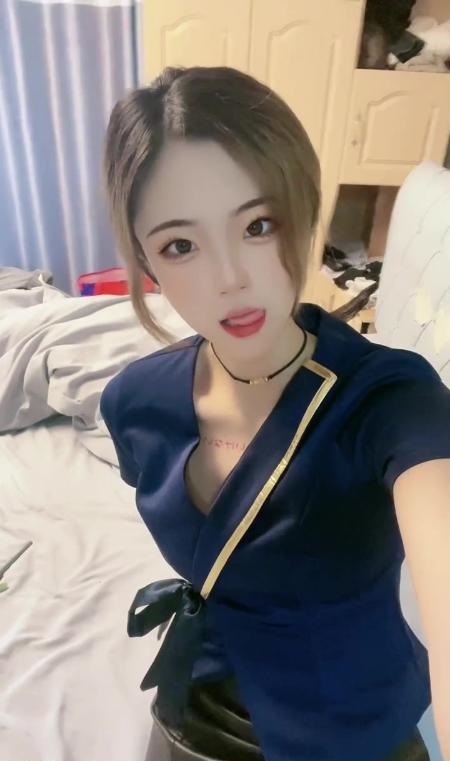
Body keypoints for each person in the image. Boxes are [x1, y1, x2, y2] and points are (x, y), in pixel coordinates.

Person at [99, 66, 450, 761]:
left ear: (305, 208)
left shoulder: (389, 401)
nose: (230, 278)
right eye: (180, 245)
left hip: (347, 731)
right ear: (145, 259)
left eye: (258, 225)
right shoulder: (135, 400)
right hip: (191, 706)